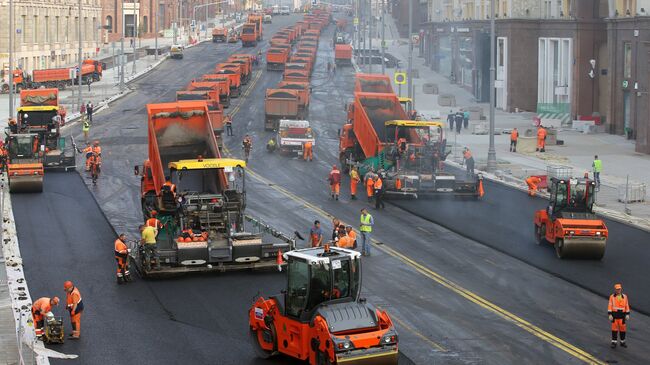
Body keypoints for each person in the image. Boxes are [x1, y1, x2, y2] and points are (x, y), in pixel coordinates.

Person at [608, 283, 630, 348]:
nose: (618, 290)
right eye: (617, 289)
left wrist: (627, 314)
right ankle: (614, 342)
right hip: (614, 316)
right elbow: (610, 305)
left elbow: (627, 306)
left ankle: (622, 342)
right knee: (614, 329)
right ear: (615, 290)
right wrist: (610, 314)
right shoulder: (612, 297)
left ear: (621, 289)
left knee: (623, 329)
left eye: (619, 289)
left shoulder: (625, 297)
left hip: (622, 316)